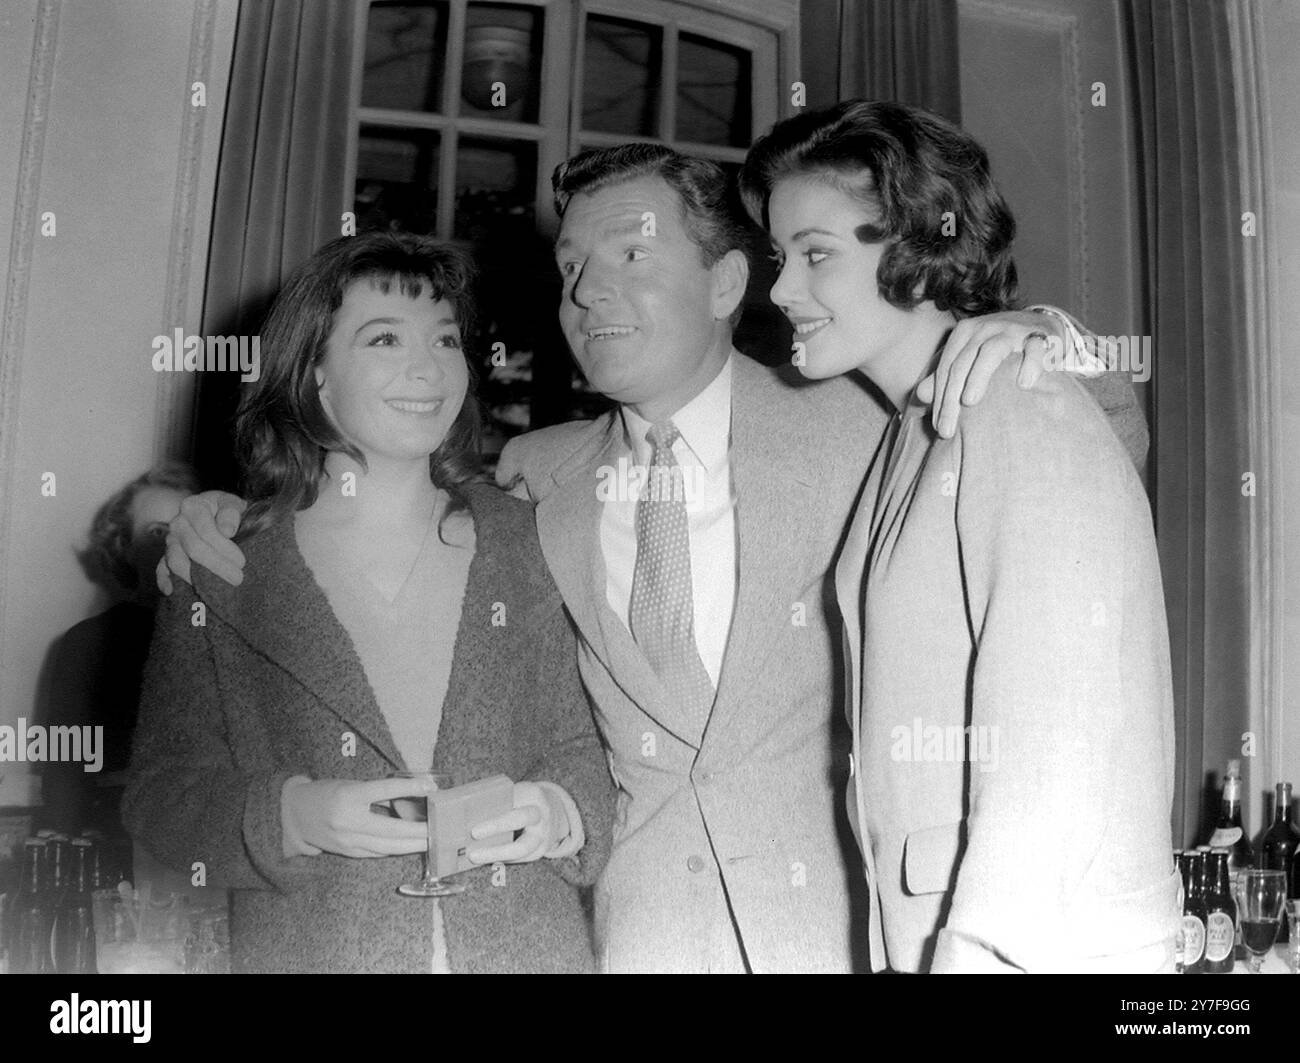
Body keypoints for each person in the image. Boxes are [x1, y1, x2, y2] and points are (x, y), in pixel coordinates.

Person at [161, 146, 1147, 973]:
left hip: (841, 932)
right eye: (571, 269)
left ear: (727, 282)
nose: (588, 291)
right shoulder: (530, 476)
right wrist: (194, 516)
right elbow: (369, 503)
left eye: (629, 254)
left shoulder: (864, 417)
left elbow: (1085, 449)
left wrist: (1034, 338)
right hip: (635, 941)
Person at [741, 99, 1179, 972]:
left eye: (815, 255)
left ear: (918, 246)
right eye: (779, 258)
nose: (781, 289)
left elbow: (1062, 746)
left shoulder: (1019, 400)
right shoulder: (919, 427)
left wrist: (977, 955)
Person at [124, 231, 613, 973]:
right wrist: (295, 814)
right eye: (384, 338)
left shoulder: (527, 540)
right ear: (313, 372)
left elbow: (587, 753)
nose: (428, 366)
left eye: (445, 339)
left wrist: (558, 811)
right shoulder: (221, 564)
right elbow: (162, 798)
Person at [37, 461, 198, 840]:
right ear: (124, 548)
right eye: (157, 531)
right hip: (124, 850)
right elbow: (65, 778)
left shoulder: (241, 636)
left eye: (187, 529)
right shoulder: (89, 644)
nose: (174, 544)